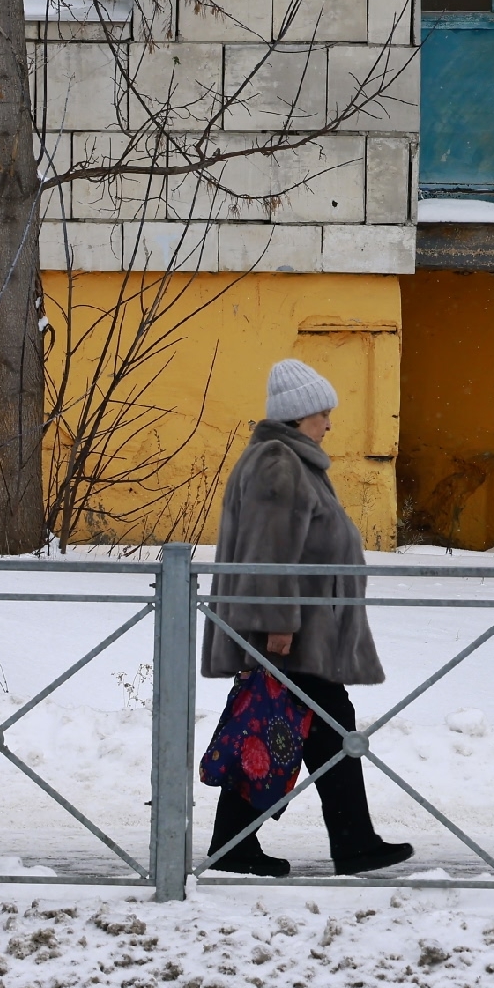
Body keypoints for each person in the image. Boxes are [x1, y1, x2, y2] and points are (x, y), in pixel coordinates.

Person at [200, 358, 413, 877]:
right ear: (299, 416)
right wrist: (279, 622)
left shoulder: (287, 460)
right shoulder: (279, 463)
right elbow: (273, 550)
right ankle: (347, 842)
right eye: (322, 413)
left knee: (296, 730)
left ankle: (246, 845)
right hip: (291, 635)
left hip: (299, 632)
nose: (330, 424)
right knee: (315, 731)